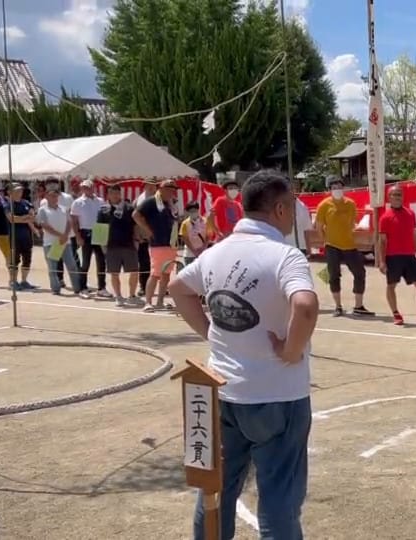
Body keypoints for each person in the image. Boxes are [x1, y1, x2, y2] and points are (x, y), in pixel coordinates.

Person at [167, 170, 318, 540]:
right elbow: (306, 305)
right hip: (276, 393)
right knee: (279, 494)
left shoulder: (215, 252)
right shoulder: (285, 256)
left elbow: (177, 287)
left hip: (223, 388)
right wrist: (291, 349)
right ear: (280, 209)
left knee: (216, 487)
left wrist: (210, 332)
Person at [377, 185, 416, 326]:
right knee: (391, 285)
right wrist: (382, 261)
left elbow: (414, 236)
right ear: (389, 197)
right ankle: (396, 314)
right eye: (394, 194)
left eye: (399, 194)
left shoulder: (410, 214)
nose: (398, 197)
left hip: (410, 256)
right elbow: (382, 241)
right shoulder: (385, 217)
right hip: (393, 257)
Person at [314, 175, 373, 317]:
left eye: (339, 187)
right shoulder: (324, 205)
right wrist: (324, 242)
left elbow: (352, 223)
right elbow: (319, 226)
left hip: (349, 245)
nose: (337, 190)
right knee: (334, 275)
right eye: (334, 188)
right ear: (329, 190)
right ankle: (338, 306)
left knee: (360, 273)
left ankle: (358, 306)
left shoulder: (350, 204)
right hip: (332, 245)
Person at [133, 179, 179, 312]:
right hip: (157, 243)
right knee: (155, 274)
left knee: (166, 274)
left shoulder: (170, 203)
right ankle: (148, 302)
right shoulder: (152, 201)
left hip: (171, 243)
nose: (172, 192)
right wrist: (147, 230)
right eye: (170, 189)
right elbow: (136, 215)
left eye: (173, 189)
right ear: (162, 189)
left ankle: (160, 301)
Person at [98, 184, 141, 306]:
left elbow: (135, 226)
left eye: (117, 193)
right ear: (108, 194)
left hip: (128, 244)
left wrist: (137, 240)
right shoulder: (103, 210)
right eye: (112, 193)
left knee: (134, 271)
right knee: (114, 272)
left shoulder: (129, 208)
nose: (115, 195)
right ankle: (118, 296)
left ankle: (132, 295)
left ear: (120, 194)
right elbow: (100, 228)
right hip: (111, 246)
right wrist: (103, 246)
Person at [35, 188, 81, 296]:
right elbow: (44, 225)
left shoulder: (64, 209)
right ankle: (56, 289)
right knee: (53, 268)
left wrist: (65, 235)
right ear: (46, 197)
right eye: (51, 196)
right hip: (51, 243)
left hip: (65, 242)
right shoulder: (42, 210)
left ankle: (77, 287)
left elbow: (69, 222)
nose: (54, 198)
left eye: (56, 196)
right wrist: (60, 235)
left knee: (72, 265)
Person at [71, 179, 109, 298]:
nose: (86, 189)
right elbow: (74, 221)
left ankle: (102, 288)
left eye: (89, 187)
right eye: (84, 188)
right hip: (85, 231)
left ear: (93, 188)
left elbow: (105, 217)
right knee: (86, 262)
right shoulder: (77, 202)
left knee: (101, 261)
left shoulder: (101, 201)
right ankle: (83, 288)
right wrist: (78, 236)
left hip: (99, 231)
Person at [6, 184, 38, 291]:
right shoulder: (9, 204)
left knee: (27, 259)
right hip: (15, 236)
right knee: (14, 260)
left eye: (20, 191)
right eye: (16, 191)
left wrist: (25, 218)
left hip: (27, 236)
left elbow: (33, 216)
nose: (19, 193)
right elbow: (11, 219)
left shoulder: (26, 203)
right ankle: (13, 281)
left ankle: (24, 281)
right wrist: (25, 218)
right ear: (10, 192)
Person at [135, 179, 159, 295]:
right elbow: (134, 219)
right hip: (143, 236)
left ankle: (160, 287)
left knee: (158, 263)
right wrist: (137, 233)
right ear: (144, 186)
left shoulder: (160, 199)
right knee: (144, 262)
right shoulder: (138, 200)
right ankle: (143, 286)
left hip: (158, 236)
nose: (151, 188)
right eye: (148, 185)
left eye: (153, 186)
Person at [180, 201, 207, 265]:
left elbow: (209, 236)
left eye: (195, 210)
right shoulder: (185, 223)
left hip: (203, 254)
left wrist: (203, 248)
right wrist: (194, 251)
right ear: (188, 212)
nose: (193, 213)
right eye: (191, 211)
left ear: (198, 210)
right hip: (189, 255)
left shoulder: (205, 221)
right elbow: (185, 239)